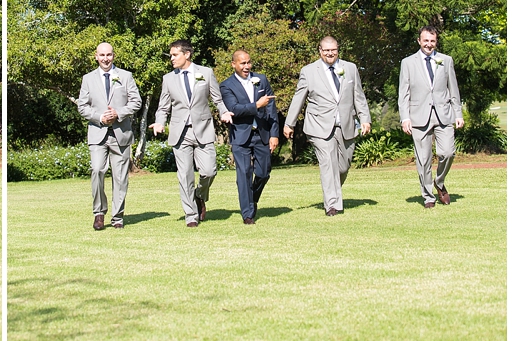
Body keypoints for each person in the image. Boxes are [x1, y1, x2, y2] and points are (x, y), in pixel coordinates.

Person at [284, 36, 371, 216]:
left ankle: (333, 191)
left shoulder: (350, 68)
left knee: (343, 166)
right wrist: (289, 123)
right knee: (328, 164)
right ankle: (332, 205)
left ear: (338, 50)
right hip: (319, 126)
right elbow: (298, 99)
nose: (330, 53)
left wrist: (365, 119)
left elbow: (358, 96)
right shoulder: (309, 71)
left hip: (345, 124)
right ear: (320, 50)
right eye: (326, 50)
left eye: (333, 50)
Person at [152, 40, 232, 228]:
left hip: (203, 129)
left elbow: (217, 98)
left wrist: (224, 112)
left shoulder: (206, 73)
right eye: (171, 55)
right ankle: (191, 215)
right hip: (180, 133)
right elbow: (163, 107)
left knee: (209, 171)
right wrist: (159, 122)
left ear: (187, 54)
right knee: (185, 175)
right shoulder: (168, 79)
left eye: (175, 55)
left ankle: (199, 195)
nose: (171, 58)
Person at [75, 43, 141, 230]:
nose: (106, 58)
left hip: (121, 134)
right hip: (98, 133)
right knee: (97, 170)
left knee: (120, 178)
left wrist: (118, 113)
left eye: (109, 55)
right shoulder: (88, 79)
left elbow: (136, 102)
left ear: (113, 55)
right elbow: (82, 106)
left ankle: (117, 216)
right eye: (102, 55)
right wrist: (100, 117)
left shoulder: (126, 76)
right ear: (96, 56)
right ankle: (99, 212)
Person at [398, 26, 462, 208]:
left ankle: (439, 182)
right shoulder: (408, 63)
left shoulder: (446, 61)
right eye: (425, 40)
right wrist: (405, 118)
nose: (429, 44)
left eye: (432, 41)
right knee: (423, 160)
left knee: (448, 152)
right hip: (418, 116)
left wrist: (458, 113)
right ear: (419, 41)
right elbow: (404, 93)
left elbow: (453, 89)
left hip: (444, 115)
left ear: (436, 42)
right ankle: (428, 197)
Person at [218, 50, 279, 225]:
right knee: (244, 173)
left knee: (263, 172)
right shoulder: (226, 85)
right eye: (242, 63)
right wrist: (256, 105)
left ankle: (251, 199)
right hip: (240, 135)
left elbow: (271, 108)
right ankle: (247, 214)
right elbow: (234, 109)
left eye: (248, 63)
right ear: (233, 64)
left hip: (262, 134)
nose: (246, 66)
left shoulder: (261, 80)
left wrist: (274, 134)